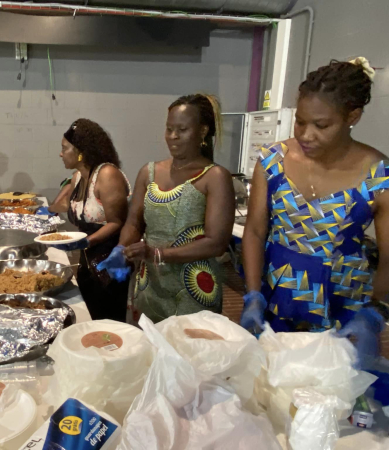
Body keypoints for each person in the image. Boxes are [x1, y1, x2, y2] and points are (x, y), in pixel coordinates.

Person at [240, 58, 389, 366]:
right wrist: (253, 294)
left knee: (329, 390)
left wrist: (375, 312)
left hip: (342, 301)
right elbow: (255, 231)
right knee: (270, 382)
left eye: (321, 125)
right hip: (277, 292)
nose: (306, 135)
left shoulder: (379, 175)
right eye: (300, 121)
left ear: (353, 117)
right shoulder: (273, 161)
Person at [98, 94, 235, 324]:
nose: (172, 136)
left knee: (185, 354)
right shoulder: (149, 172)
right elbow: (134, 223)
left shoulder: (215, 177)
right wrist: (121, 249)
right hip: (150, 286)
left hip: (194, 291)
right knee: (149, 351)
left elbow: (216, 242)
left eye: (182, 129)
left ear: (202, 131)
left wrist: (158, 254)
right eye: (169, 128)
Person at [50, 119, 131, 322]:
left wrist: (87, 241)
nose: (60, 154)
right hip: (87, 259)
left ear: (80, 151)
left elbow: (117, 221)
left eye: (64, 148)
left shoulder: (107, 174)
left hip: (110, 262)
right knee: (90, 313)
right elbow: (58, 204)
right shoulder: (78, 177)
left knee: (109, 318)